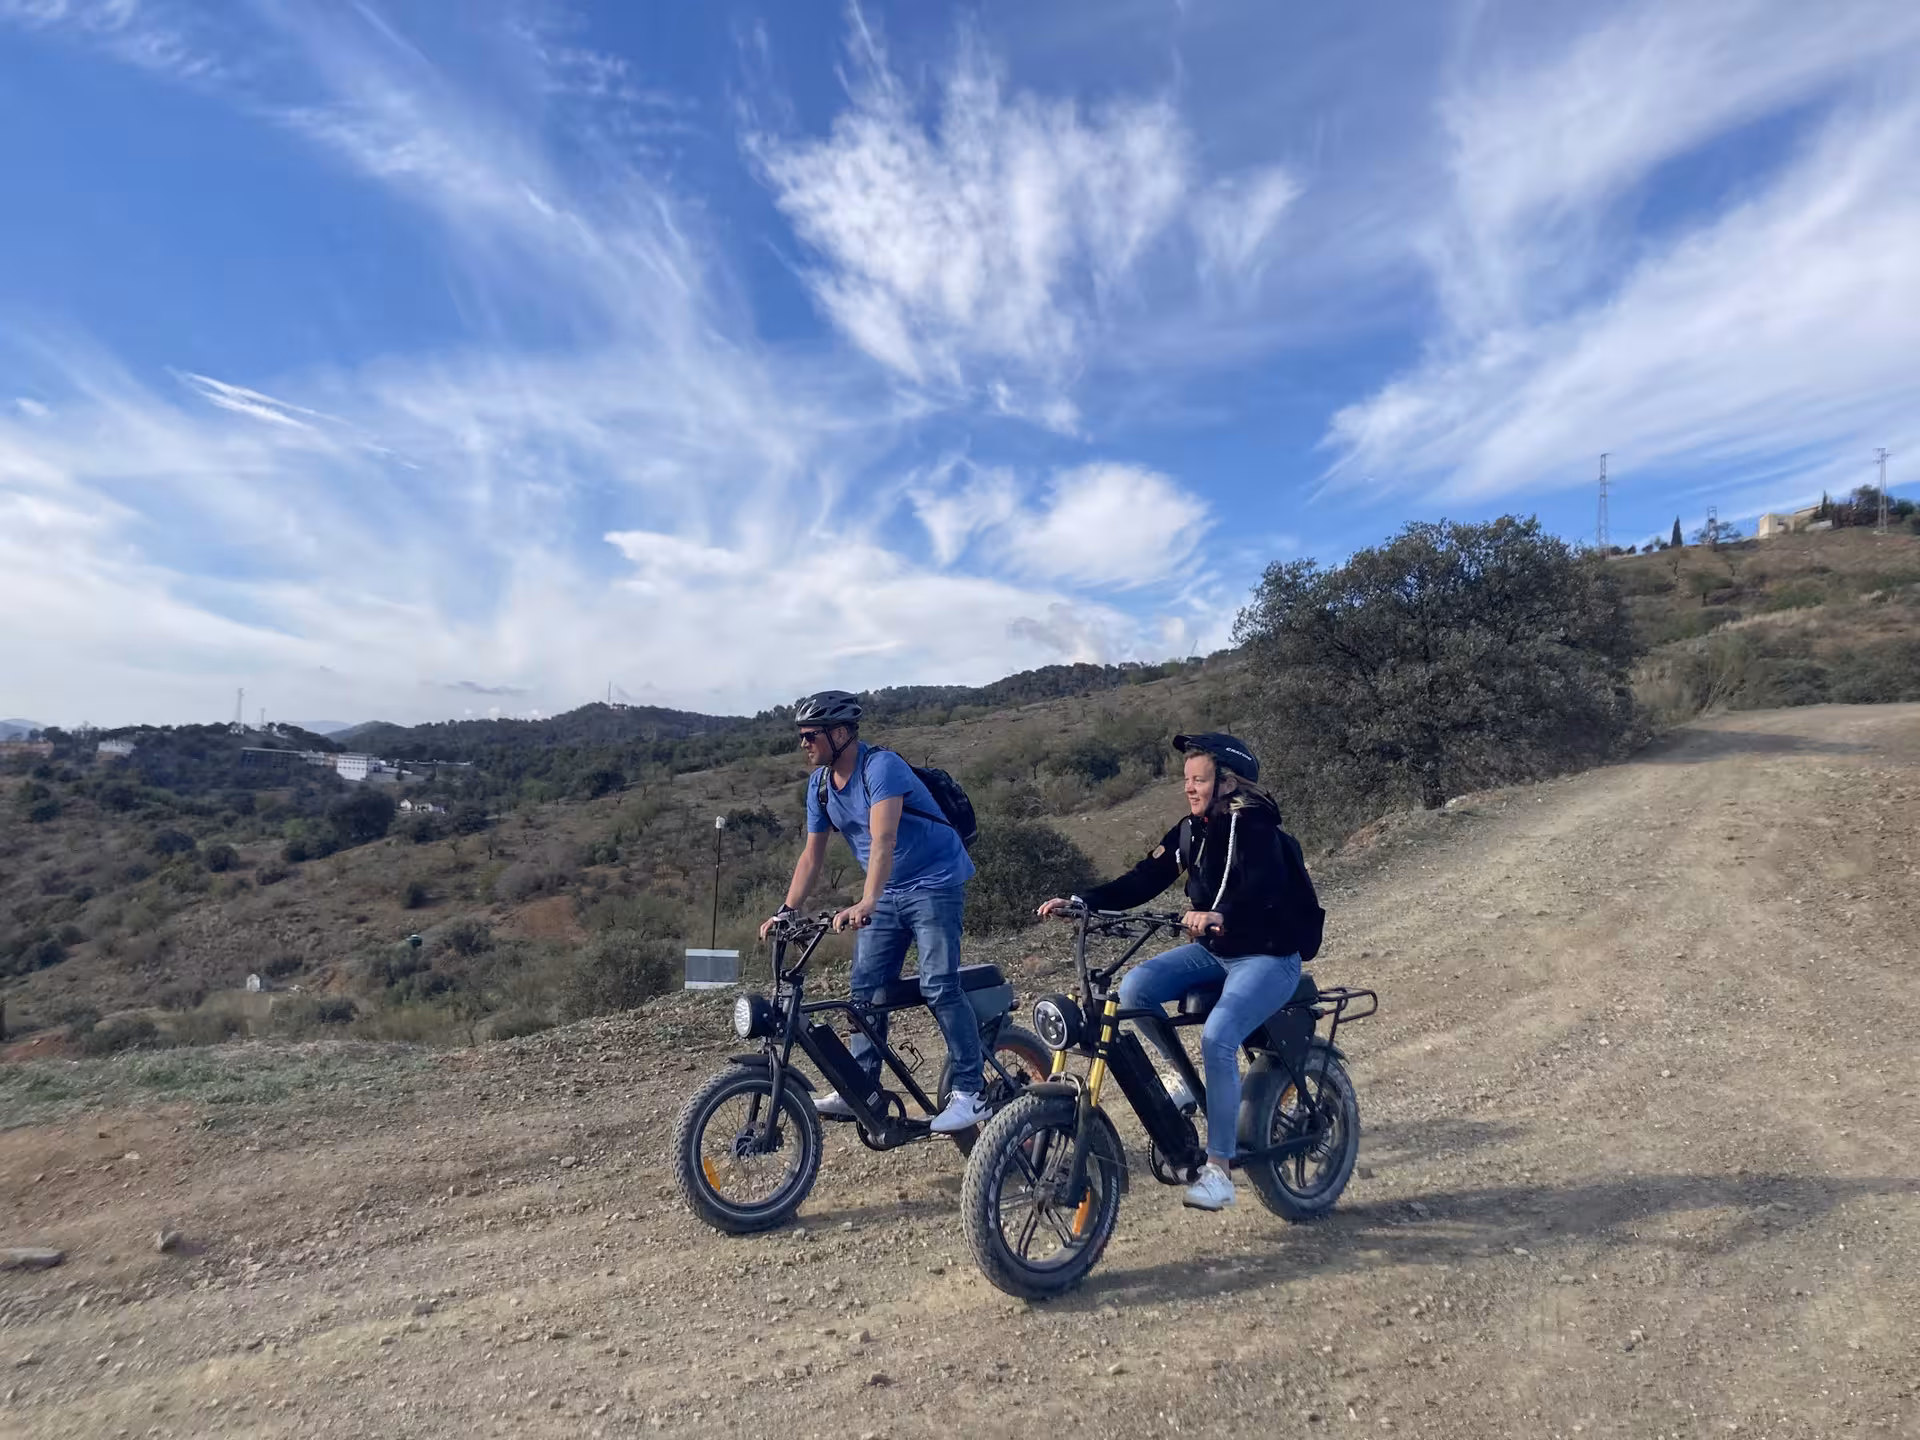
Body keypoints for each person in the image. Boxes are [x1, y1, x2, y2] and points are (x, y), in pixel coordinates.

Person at [1036, 732, 1322, 1211]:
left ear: (1228, 783)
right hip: (1216, 952)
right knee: (1135, 989)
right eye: (1186, 780)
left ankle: (1220, 1171)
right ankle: (1186, 1083)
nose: (1189, 789)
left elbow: (1263, 887)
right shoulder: (1193, 829)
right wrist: (1084, 900)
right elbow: (1145, 878)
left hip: (1270, 957)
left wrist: (1220, 913)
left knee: (1219, 1035)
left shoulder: (1257, 831)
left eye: (1200, 780)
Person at [761, 690, 987, 1135]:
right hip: (888, 891)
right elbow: (812, 856)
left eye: (811, 735)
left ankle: (971, 1091)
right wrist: (787, 910)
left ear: (840, 733)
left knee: (938, 983)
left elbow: (882, 840)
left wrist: (867, 901)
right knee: (863, 993)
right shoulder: (821, 786)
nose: (803, 743)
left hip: (935, 882)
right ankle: (860, 1087)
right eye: (801, 736)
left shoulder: (881, 768)